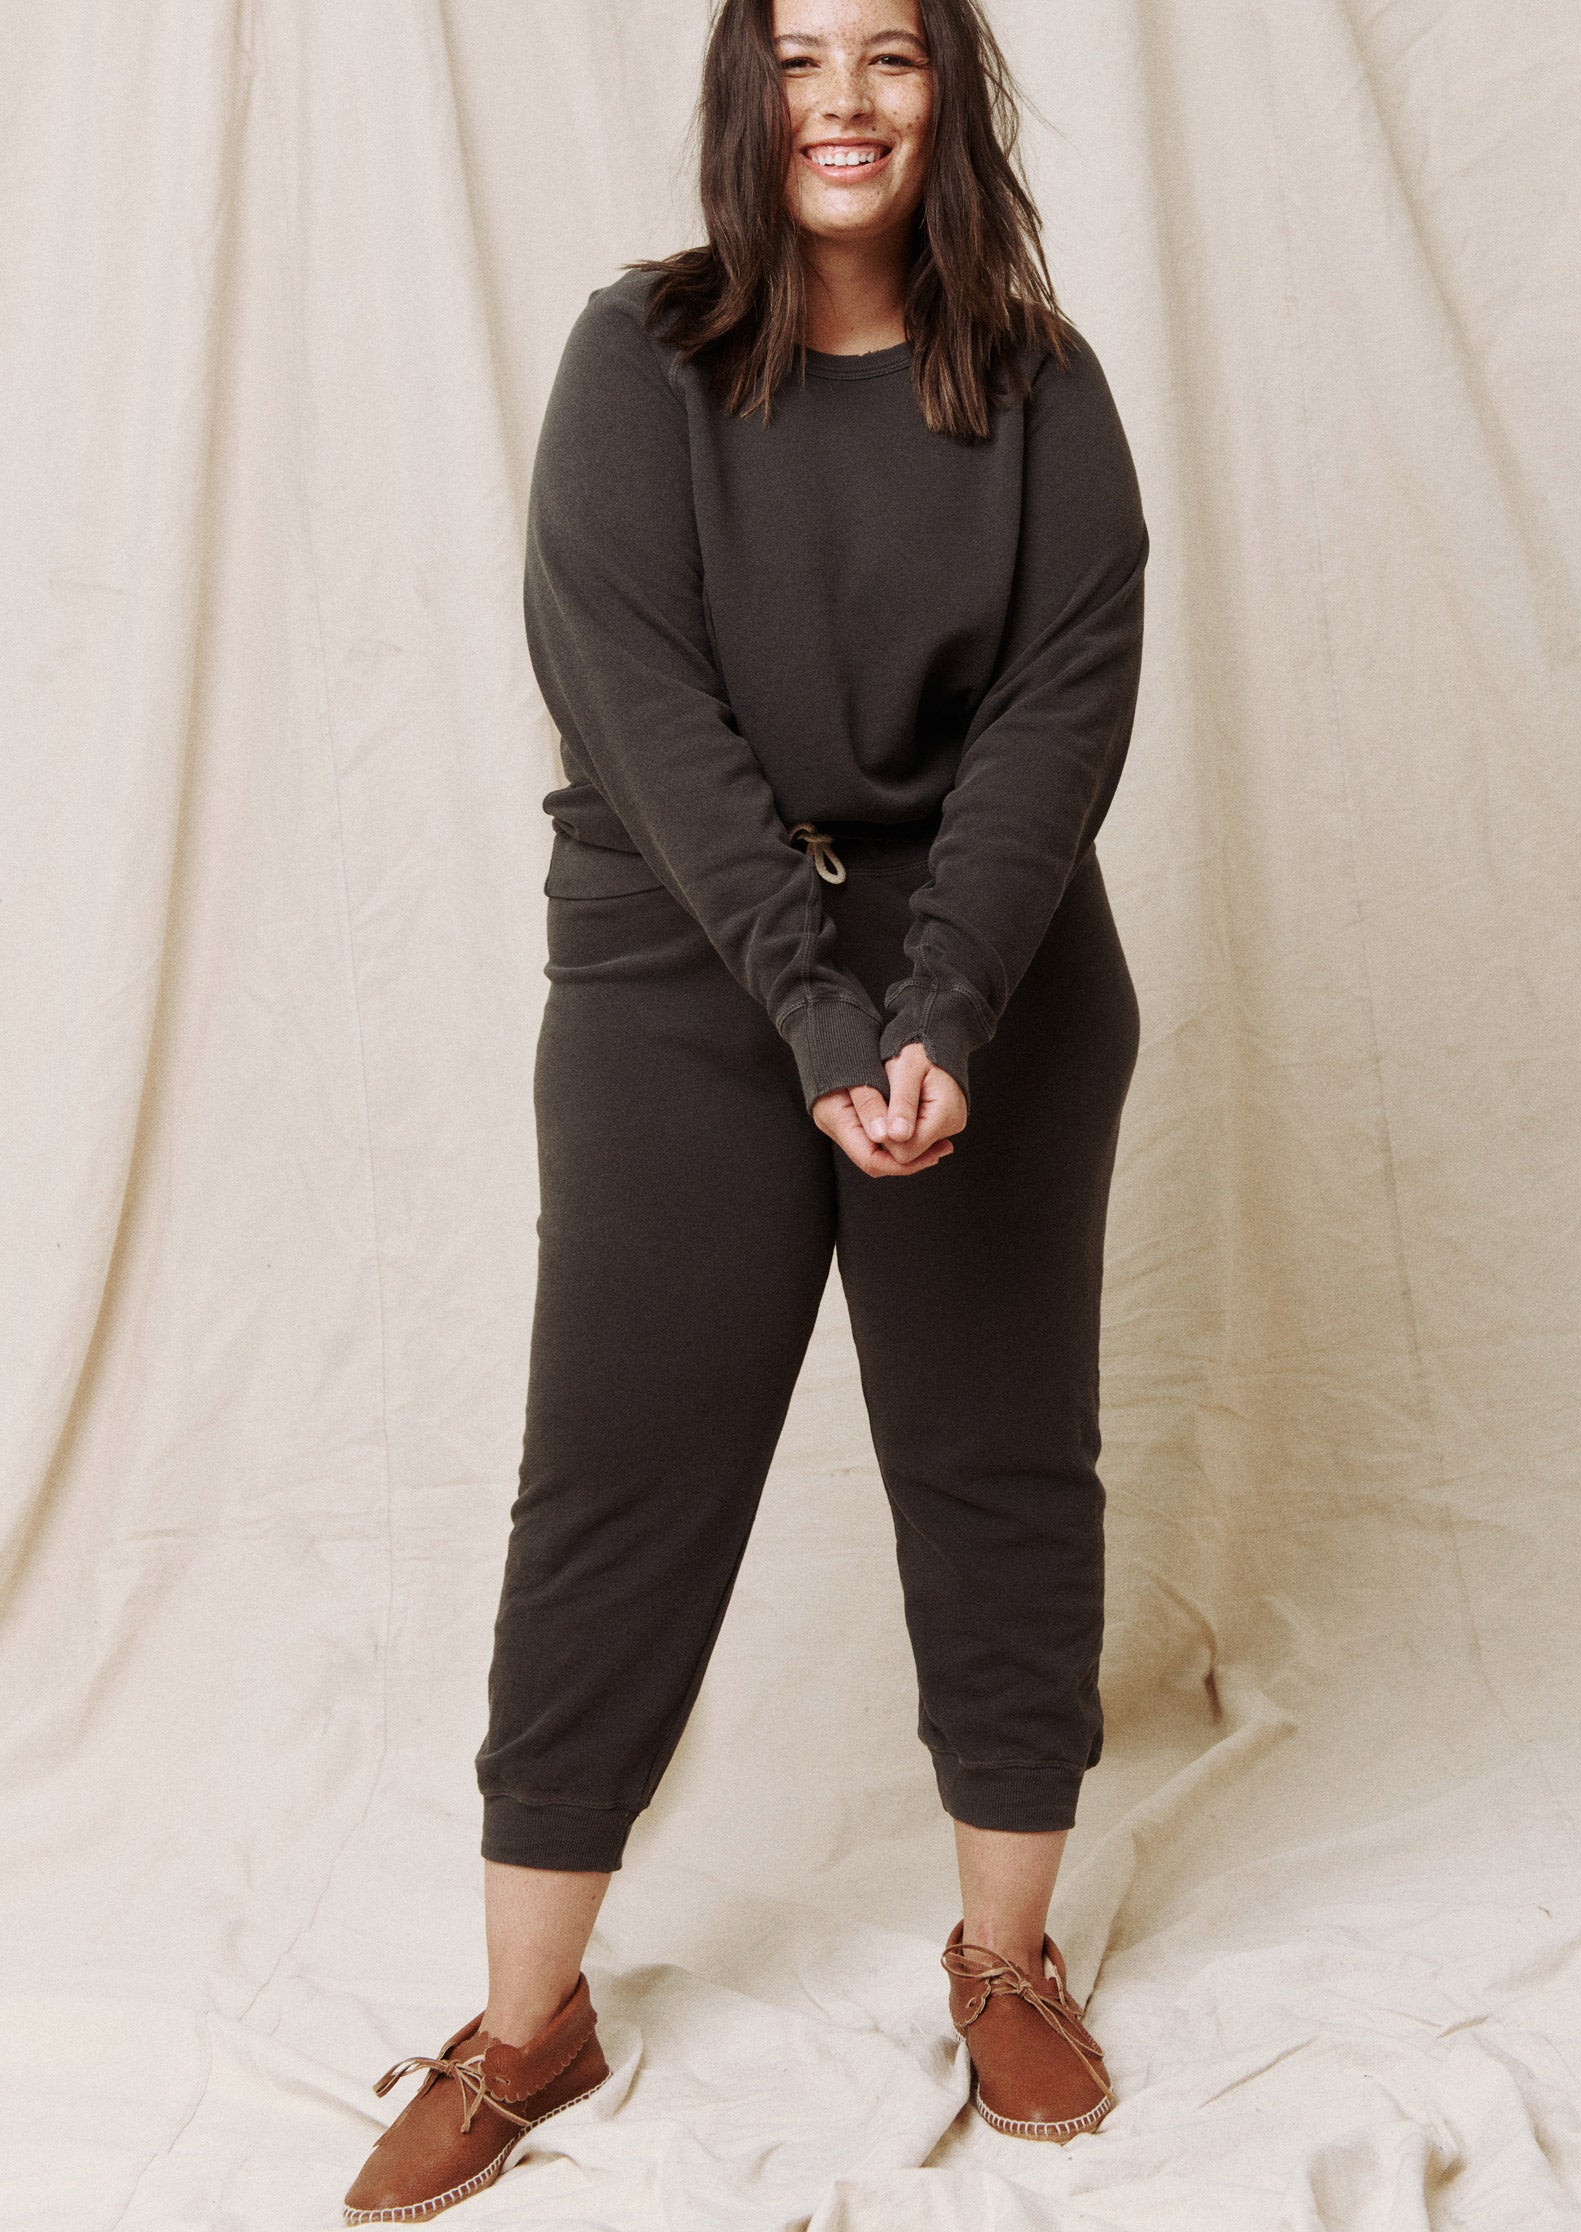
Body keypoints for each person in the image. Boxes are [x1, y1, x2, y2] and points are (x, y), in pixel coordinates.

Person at [342, 0, 1147, 2217]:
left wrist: (943, 1004)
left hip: (988, 967)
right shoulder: (643, 362)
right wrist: (811, 1006)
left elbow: (1062, 715)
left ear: (948, 91)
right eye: (800, 56)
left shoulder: (1044, 387)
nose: (844, 103)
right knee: (616, 1485)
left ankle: (1006, 1960)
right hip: (680, 968)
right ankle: (529, 2024)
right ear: (743, 91)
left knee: (998, 1465)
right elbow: (638, 702)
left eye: (890, 55)